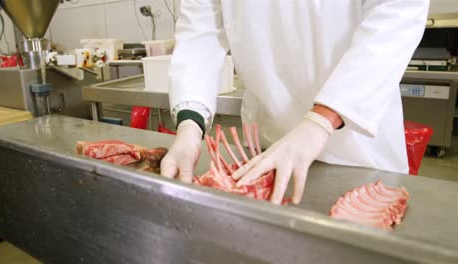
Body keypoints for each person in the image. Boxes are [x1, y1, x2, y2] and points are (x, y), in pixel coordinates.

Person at [160, 0, 430, 204]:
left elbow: (396, 16)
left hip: (359, 155)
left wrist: (322, 118)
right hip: (268, 151)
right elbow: (200, 30)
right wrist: (189, 124)